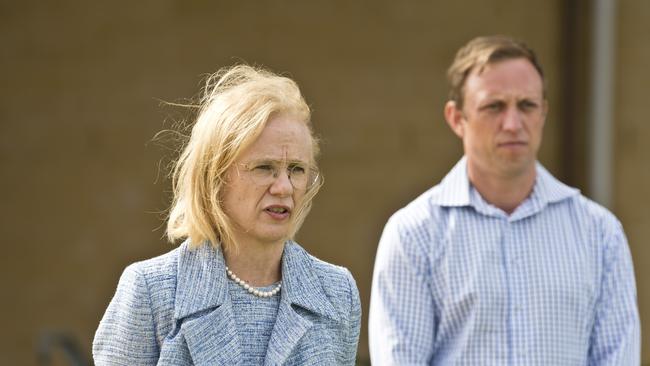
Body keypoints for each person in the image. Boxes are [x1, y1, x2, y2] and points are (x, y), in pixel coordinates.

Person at [368, 35, 640, 365]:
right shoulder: (413, 234)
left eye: (527, 105)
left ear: (543, 113)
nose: (513, 124)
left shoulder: (600, 234)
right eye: (493, 106)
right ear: (457, 119)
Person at [93, 65, 361, 365]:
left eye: (296, 170)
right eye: (264, 168)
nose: (284, 187)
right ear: (215, 177)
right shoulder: (150, 290)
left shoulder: (338, 292)